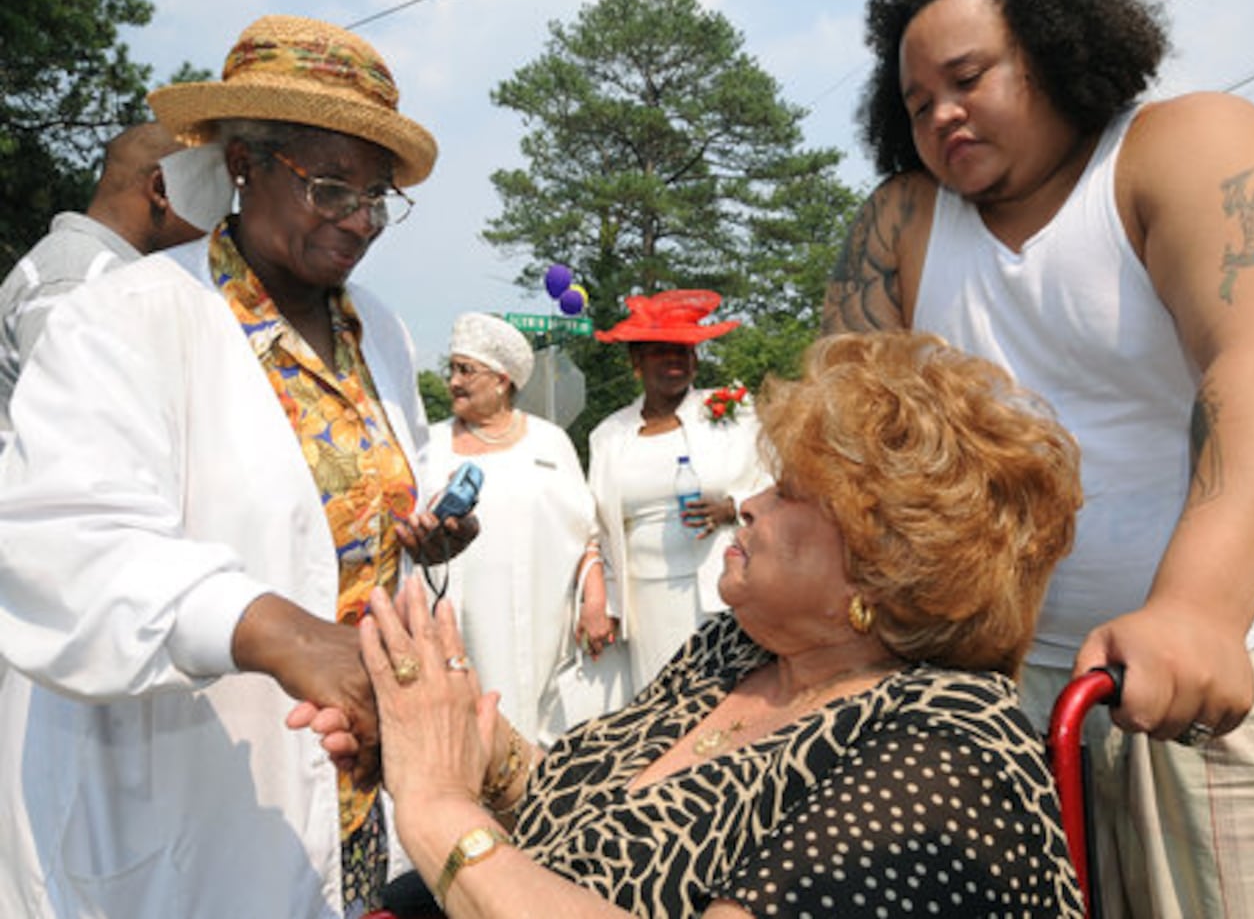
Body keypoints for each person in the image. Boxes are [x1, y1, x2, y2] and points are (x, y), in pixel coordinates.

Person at [822, 0, 1254, 916]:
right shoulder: (898, 223)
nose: (942, 113)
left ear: (1051, 47)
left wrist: (1196, 609)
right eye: (917, 104)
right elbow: (847, 437)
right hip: (1006, 697)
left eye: (966, 77)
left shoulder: (1186, 145)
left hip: (1222, 668)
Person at [295, 330, 1088, 918]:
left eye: (791, 494)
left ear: (886, 570)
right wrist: (451, 736)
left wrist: (439, 813)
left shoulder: (949, 749)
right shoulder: (735, 650)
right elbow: (595, 816)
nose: (748, 503)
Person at [0, 14, 469, 918]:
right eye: (332, 188)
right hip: (175, 801)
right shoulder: (129, 315)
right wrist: (276, 632)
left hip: (344, 791)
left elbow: (348, 511)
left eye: (378, 198)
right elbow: (57, 536)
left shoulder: (379, 327)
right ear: (245, 164)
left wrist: (418, 542)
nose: (360, 223)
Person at [423, 311, 610, 741]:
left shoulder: (549, 442)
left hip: (536, 625)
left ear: (502, 380)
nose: (453, 382)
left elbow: (585, 530)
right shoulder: (427, 444)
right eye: (451, 369)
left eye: (465, 370)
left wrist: (595, 600)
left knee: (527, 727)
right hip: (450, 623)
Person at [586, 288, 770, 690]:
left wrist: (732, 507)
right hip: (645, 598)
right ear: (636, 361)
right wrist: (606, 602)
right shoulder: (608, 435)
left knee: (726, 698)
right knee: (660, 701)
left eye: (684, 351)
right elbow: (596, 526)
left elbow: (777, 483)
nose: (675, 360)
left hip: (721, 589)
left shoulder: (732, 410)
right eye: (661, 351)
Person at [0, 121, 203, 430]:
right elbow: (71, 441)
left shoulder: (103, 276)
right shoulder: (79, 279)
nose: (222, 223)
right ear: (161, 189)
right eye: (212, 197)